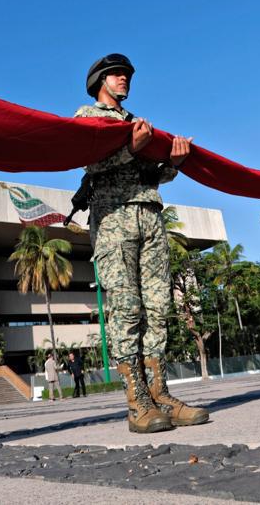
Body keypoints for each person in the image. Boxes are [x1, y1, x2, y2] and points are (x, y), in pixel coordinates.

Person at [76, 54, 208, 433]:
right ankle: (137, 402)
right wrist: (130, 148)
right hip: (114, 218)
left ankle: (160, 393)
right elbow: (90, 161)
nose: (124, 80)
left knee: (158, 307)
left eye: (127, 75)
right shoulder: (87, 115)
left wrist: (174, 163)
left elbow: (151, 174)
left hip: (150, 215)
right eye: (117, 74)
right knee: (127, 309)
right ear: (100, 80)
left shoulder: (138, 123)